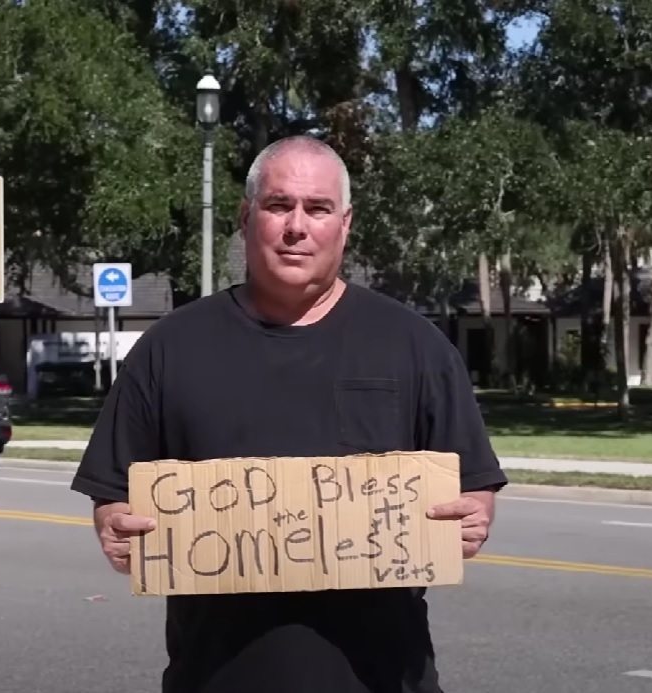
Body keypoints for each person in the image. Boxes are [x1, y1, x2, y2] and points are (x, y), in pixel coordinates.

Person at [71, 135, 507, 693]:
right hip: (216, 677)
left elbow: (472, 486)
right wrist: (115, 528)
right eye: (279, 205)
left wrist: (472, 518)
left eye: (318, 208)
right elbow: (115, 493)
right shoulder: (169, 348)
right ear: (246, 216)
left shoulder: (415, 346)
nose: (296, 226)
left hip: (380, 678)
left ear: (344, 224)